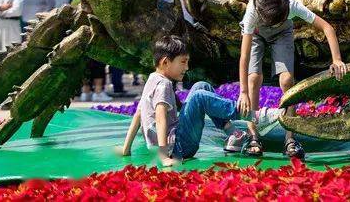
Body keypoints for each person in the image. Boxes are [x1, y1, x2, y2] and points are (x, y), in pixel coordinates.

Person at [121, 35, 283, 165]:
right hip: (178, 148)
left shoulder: (151, 79)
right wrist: (163, 156)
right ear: (165, 62)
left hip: (176, 142)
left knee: (201, 86)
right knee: (199, 97)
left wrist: (126, 149)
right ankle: (254, 116)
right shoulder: (163, 85)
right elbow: (160, 118)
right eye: (183, 62)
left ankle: (233, 134)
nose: (186, 67)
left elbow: (138, 114)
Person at [238, 0, 347, 159]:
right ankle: (253, 136)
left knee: (287, 80)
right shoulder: (253, 11)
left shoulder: (291, 4)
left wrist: (337, 59)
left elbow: (327, 28)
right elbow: (244, 56)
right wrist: (243, 92)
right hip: (256, 33)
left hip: (282, 34)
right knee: (253, 79)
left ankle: (290, 138)